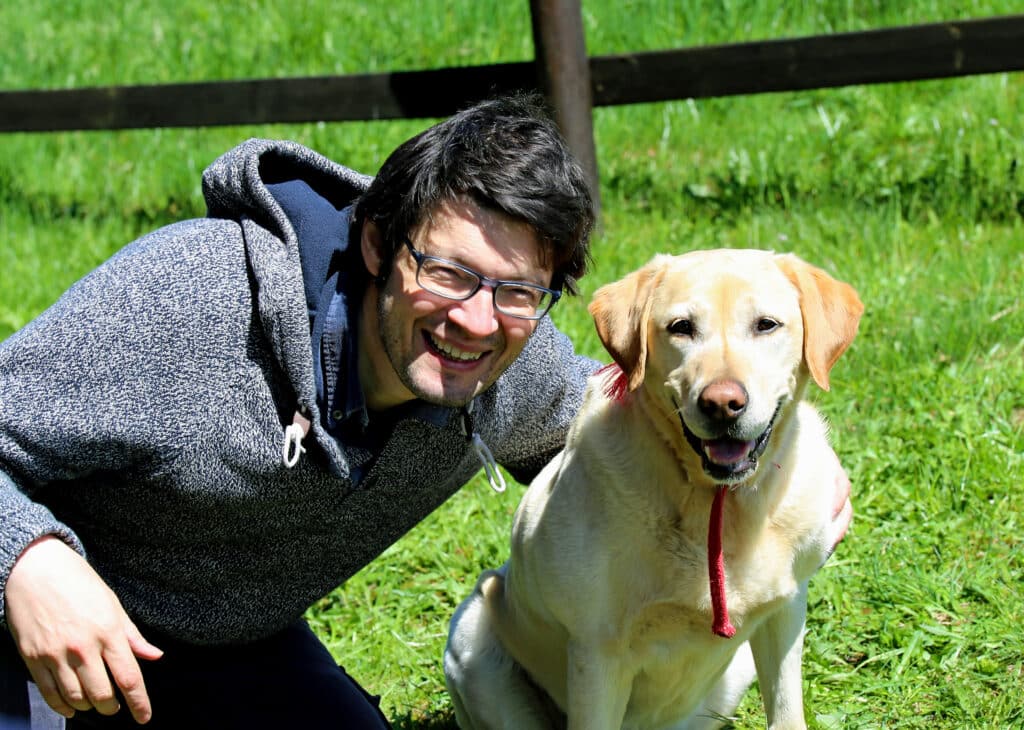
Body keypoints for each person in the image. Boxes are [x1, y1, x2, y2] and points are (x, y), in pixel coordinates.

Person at [0, 94, 852, 729]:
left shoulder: (507, 369)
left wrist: (790, 472)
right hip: (31, 629)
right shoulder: (194, 299)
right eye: (447, 272)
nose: (476, 320)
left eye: (519, 291)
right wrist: (27, 561)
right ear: (378, 241)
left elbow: (639, 409)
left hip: (219, 647)